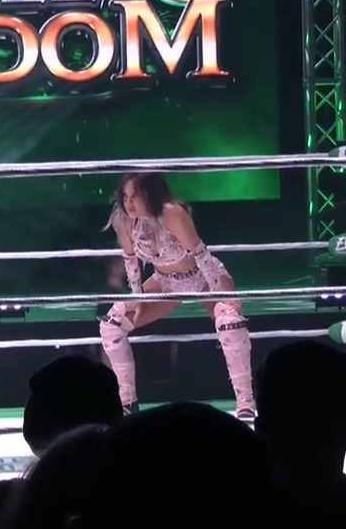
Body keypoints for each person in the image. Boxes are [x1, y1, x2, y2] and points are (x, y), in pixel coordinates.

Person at [97, 172, 255, 419]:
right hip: (165, 283)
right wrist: (138, 298)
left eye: (135, 195)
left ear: (150, 194)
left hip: (203, 277)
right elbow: (130, 262)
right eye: (125, 196)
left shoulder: (172, 213)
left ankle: (246, 403)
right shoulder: (126, 221)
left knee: (229, 322)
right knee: (112, 324)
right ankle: (127, 402)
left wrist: (221, 294)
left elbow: (201, 254)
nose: (129, 203)